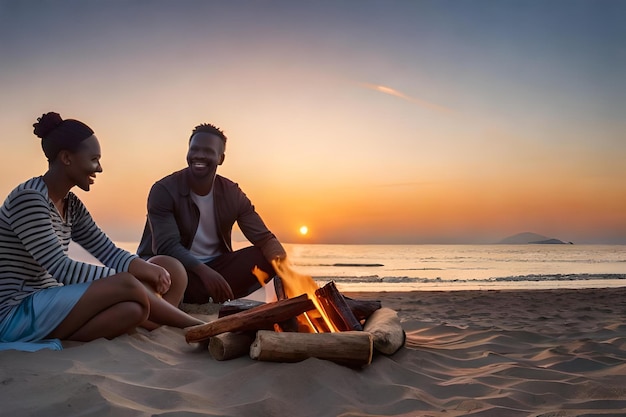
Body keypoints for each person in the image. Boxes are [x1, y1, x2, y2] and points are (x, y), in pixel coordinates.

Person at [0, 112, 204, 351]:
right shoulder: (30, 199)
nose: (100, 168)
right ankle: (194, 326)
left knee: (150, 289)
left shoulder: (71, 204)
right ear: (66, 158)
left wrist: (149, 269)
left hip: (50, 304)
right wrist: (126, 282)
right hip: (16, 313)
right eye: (94, 159)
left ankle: (148, 321)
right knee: (127, 284)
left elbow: (108, 251)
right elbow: (62, 269)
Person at [137, 123, 286, 304]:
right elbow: (166, 246)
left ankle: (209, 296)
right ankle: (191, 296)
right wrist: (204, 272)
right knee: (167, 265)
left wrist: (288, 273)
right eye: (194, 149)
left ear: (220, 158)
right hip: (173, 271)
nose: (199, 155)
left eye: (208, 151)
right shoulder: (164, 190)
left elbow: (264, 238)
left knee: (266, 256)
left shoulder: (232, 192)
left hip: (218, 271)